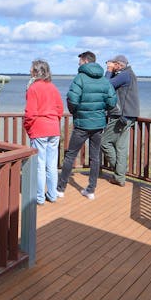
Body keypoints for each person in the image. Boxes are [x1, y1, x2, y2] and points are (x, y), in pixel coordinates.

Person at [56, 51, 117, 200]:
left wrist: (76, 113)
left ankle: (60, 189)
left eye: (79, 62)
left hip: (82, 125)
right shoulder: (104, 81)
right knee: (95, 157)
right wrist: (100, 111)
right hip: (98, 125)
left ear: (84, 61)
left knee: (70, 155)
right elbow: (112, 102)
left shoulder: (80, 78)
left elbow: (72, 100)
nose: (78, 64)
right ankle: (90, 190)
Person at [24, 59, 64, 205]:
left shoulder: (33, 88)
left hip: (39, 129)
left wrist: (28, 127)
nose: (29, 71)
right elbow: (60, 109)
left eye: (31, 69)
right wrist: (53, 121)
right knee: (51, 164)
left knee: (40, 165)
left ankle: (39, 197)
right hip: (53, 129)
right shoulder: (53, 87)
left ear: (36, 71)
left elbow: (30, 113)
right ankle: (52, 195)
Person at [101, 54, 140, 186]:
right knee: (121, 147)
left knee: (104, 142)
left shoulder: (124, 75)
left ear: (119, 64)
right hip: (129, 115)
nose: (112, 65)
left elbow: (105, 85)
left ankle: (119, 172)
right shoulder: (129, 74)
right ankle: (120, 177)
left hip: (120, 116)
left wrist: (109, 70)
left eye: (114, 64)